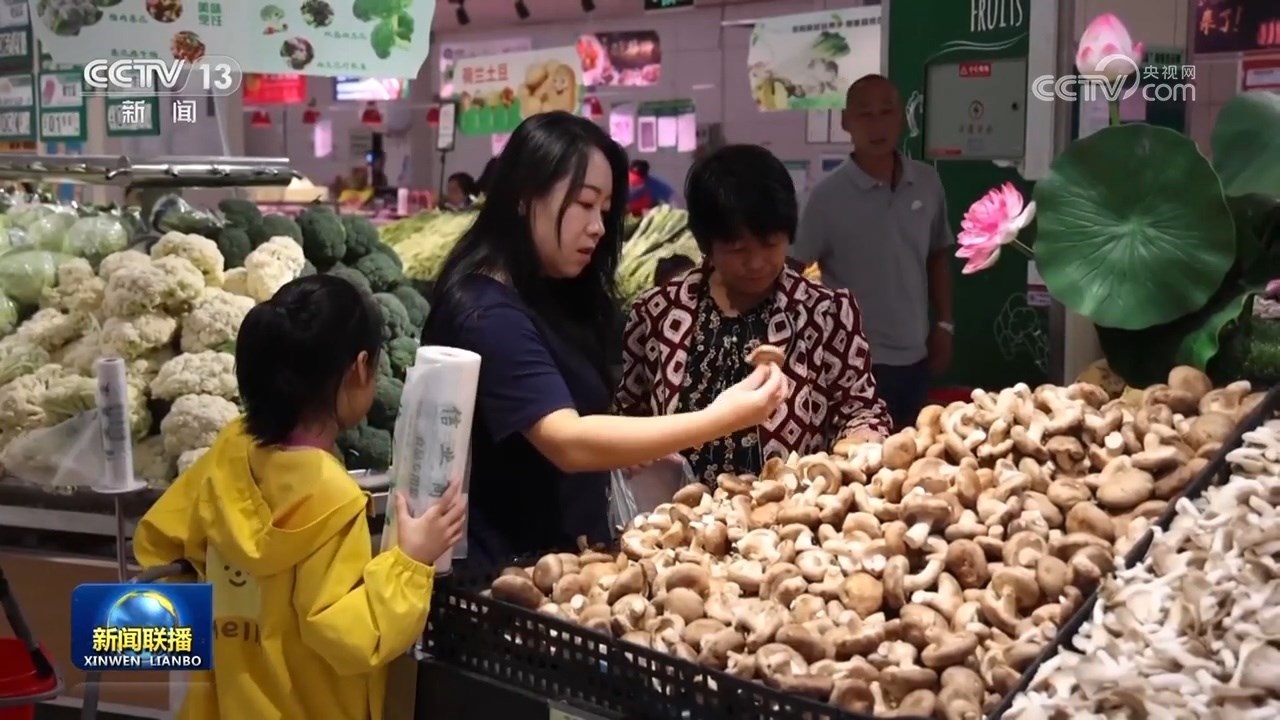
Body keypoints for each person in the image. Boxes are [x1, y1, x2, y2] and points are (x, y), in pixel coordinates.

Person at [423, 111, 787, 567]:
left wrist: (625, 449)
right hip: (505, 574)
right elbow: (567, 440)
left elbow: (573, 423)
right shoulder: (486, 313)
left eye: (605, 208)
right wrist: (721, 417)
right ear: (523, 196)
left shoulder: (549, 291)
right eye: (584, 203)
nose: (598, 225)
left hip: (563, 561)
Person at [133, 275, 466, 720]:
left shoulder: (230, 449)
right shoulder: (333, 499)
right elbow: (351, 638)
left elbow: (159, 545)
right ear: (360, 368)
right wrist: (412, 560)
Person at [614, 144, 891, 484]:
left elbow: (861, 409)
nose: (757, 263)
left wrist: (864, 438)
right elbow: (629, 415)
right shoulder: (657, 313)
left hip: (788, 510)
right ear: (706, 244)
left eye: (771, 244)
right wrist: (633, 453)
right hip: (678, 511)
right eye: (737, 249)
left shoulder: (825, 312)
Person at [792, 74, 954, 430]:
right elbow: (792, 267)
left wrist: (945, 324)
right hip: (851, 363)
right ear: (846, 122)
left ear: (901, 118)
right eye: (865, 114)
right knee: (858, 456)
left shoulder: (927, 183)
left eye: (886, 111)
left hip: (916, 357)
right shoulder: (827, 197)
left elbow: (937, 254)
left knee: (914, 453)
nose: (877, 124)